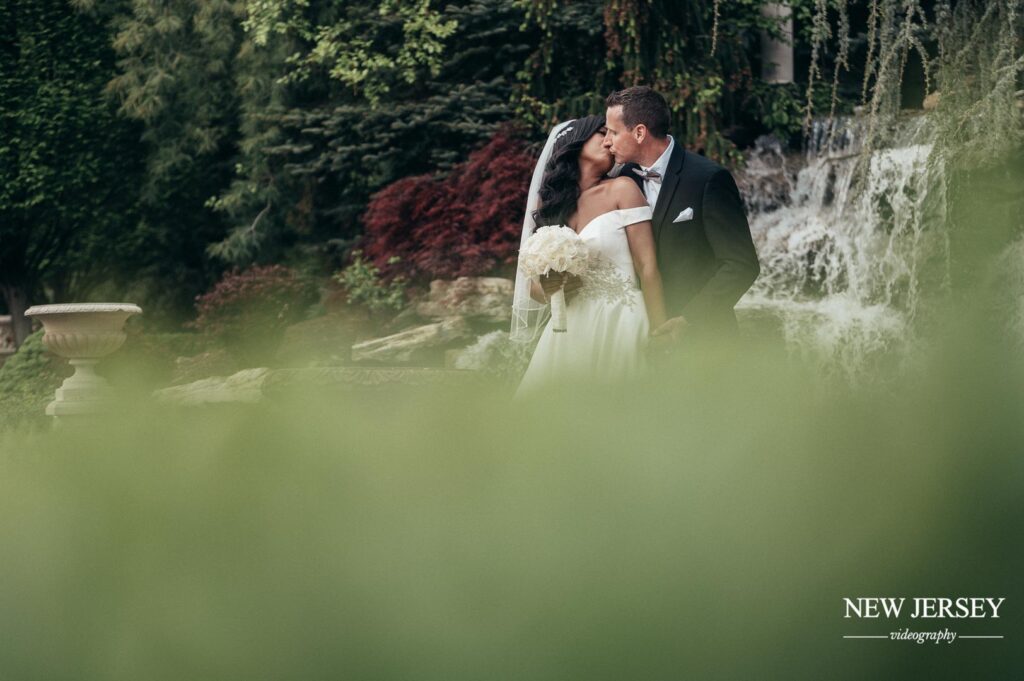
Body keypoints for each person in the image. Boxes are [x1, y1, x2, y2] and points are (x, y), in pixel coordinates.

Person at [512, 115, 667, 396]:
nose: (609, 142)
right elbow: (534, 288)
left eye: (612, 134)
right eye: (602, 133)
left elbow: (647, 267)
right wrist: (551, 286)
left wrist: (659, 331)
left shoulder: (623, 189)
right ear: (577, 142)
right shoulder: (549, 206)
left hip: (620, 318)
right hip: (568, 327)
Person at [602, 86, 760, 351]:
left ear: (639, 132)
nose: (607, 141)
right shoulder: (623, 179)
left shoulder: (708, 178)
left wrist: (689, 320)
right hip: (636, 334)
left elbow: (741, 264)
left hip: (703, 343)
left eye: (613, 132)